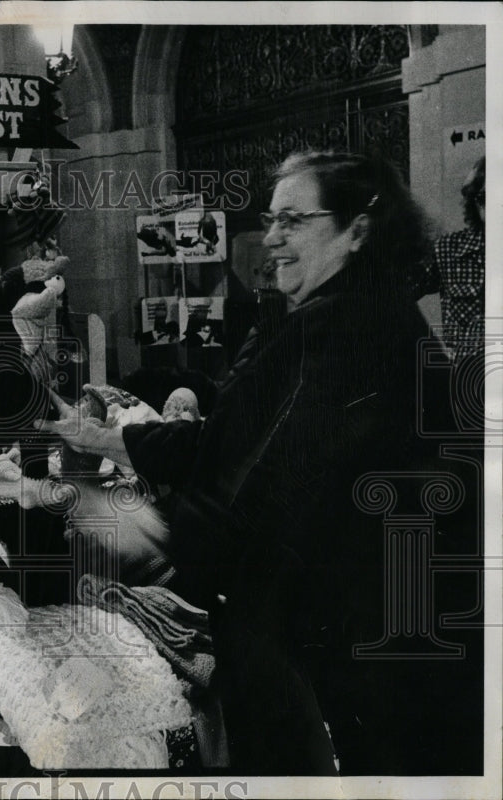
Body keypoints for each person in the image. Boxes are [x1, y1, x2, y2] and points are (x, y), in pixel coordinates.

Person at [38, 151, 478, 775]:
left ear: (358, 230)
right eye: (272, 219)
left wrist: (146, 526)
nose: (272, 237)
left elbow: (279, 494)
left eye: (295, 220)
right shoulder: (341, 314)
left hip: (356, 653)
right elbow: (229, 441)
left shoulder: (354, 329)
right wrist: (107, 441)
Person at [412, 156, 485, 361]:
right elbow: (396, 294)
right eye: (486, 198)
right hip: (469, 382)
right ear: (475, 201)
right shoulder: (449, 250)